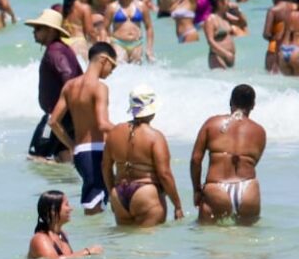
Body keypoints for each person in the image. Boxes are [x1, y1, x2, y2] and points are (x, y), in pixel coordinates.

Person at [49, 42, 117, 214]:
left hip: (80, 153)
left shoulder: (70, 86)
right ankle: (95, 239)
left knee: (94, 202)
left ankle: (96, 238)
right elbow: (102, 123)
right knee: (95, 208)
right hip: (96, 151)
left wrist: (72, 145)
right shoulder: (100, 87)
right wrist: (127, 130)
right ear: (103, 59)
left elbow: (53, 122)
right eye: (113, 65)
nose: (112, 71)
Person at [104, 84, 184, 227]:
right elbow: (164, 174)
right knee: (148, 247)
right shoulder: (155, 137)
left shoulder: (114, 132)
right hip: (145, 193)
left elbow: (105, 167)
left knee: (124, 245)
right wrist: (177, 205)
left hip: (119, 194)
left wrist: (112, 194)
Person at [191, 83, 265, 224]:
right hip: (248, 189)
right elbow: (253, 162)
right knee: (247, 241)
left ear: (230, 101)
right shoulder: (259, 131)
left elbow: (196, 160)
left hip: (217, 188)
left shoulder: (212, 124)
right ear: (253, 105)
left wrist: (197, 190)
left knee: (209, 242)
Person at [25, 9, 82, 163]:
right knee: (64, 156)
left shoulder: (55, 51)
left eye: (38, 29)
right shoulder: (60, 48)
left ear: (50, 30)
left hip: (58, 116)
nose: (34, 32)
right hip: (67, 116)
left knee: (36, 158)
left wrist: (61, 113)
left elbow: (69, 79)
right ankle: (69, 185)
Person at [28, 191, 102, 259]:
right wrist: (87, 252)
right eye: (66, 205)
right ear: (53, 211)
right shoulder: (40, 239)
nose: (71, 209)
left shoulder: (62, 234)